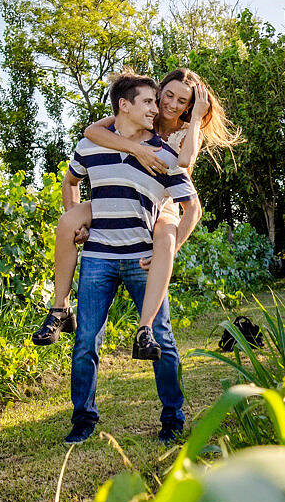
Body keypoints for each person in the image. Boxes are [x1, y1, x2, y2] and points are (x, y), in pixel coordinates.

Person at [32, 67, 240, 358]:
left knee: (166, 238)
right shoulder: (142, 113)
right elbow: (91, 132)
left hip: (162, 203)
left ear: (189, 106)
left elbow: (184, 161)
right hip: (122, 196)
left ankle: (146, 329)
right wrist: (136, 149)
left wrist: (195, 120)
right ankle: (60, 309)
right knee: (68, 221)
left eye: (182, 101)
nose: (171, 105)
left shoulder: (187, 131)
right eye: (168, 95)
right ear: (159, 91)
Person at [61, 72, 201, 445]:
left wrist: (167, 250)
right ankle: (83, 418)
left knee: (161, 338)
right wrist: (77, 220)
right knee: (86, 340)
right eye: (154, 100)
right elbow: (71, 179)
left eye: (174, 102)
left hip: (143, 254)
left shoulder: (166, 152)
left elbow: (191, 206)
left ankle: (172, 418)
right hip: (98, 256)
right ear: (126, 105)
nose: (161, 107)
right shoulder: (94, 143)